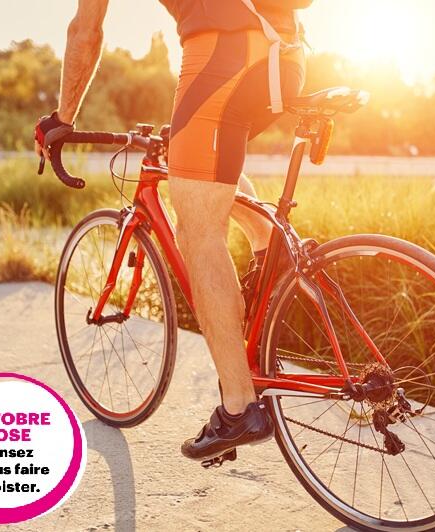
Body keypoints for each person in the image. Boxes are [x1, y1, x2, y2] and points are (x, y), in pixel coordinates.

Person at [34, 0, 312, 462]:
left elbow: (86, 32)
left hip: (223, 51)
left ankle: (239, 408)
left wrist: (62, 119)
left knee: (197, 230)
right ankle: (270, 261)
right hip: (285, 55)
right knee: (206, 177)